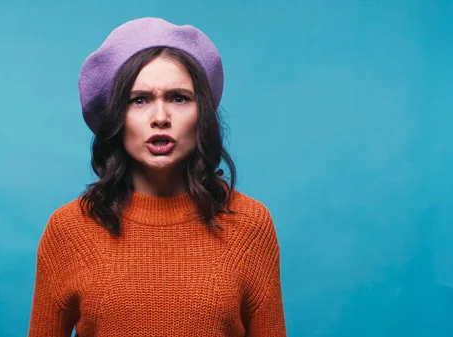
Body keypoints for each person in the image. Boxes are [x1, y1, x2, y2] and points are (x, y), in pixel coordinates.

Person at [27, 17, 286, 337]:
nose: (160, 118)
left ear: (200, 113)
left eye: (178, 98)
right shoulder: (68, 229)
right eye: (139, 100)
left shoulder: (250, 224)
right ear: (116, 117)